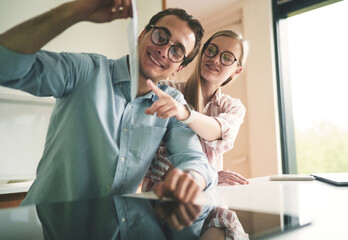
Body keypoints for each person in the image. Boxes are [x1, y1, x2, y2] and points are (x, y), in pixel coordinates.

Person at [0, 0, 217, 205]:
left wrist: (192, 179)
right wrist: (75, 11)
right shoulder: (85, 71)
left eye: (176, 51)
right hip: (43, 227)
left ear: (178, 67)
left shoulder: (173, 104)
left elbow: (195, 159)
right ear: (143, 34)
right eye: (160, 36)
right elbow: (5, 64)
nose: (163, 50)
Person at [142, 29, 250, 239]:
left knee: (225, 224)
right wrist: (200, 175)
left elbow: (217, 131)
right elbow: (150, 158)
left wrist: (208, 177)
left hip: (208, 203)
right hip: (161, 202)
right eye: (211, 50)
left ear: (237, 71)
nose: (215, 59)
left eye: (227, 57)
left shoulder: (233, 107)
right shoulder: (169, 91)